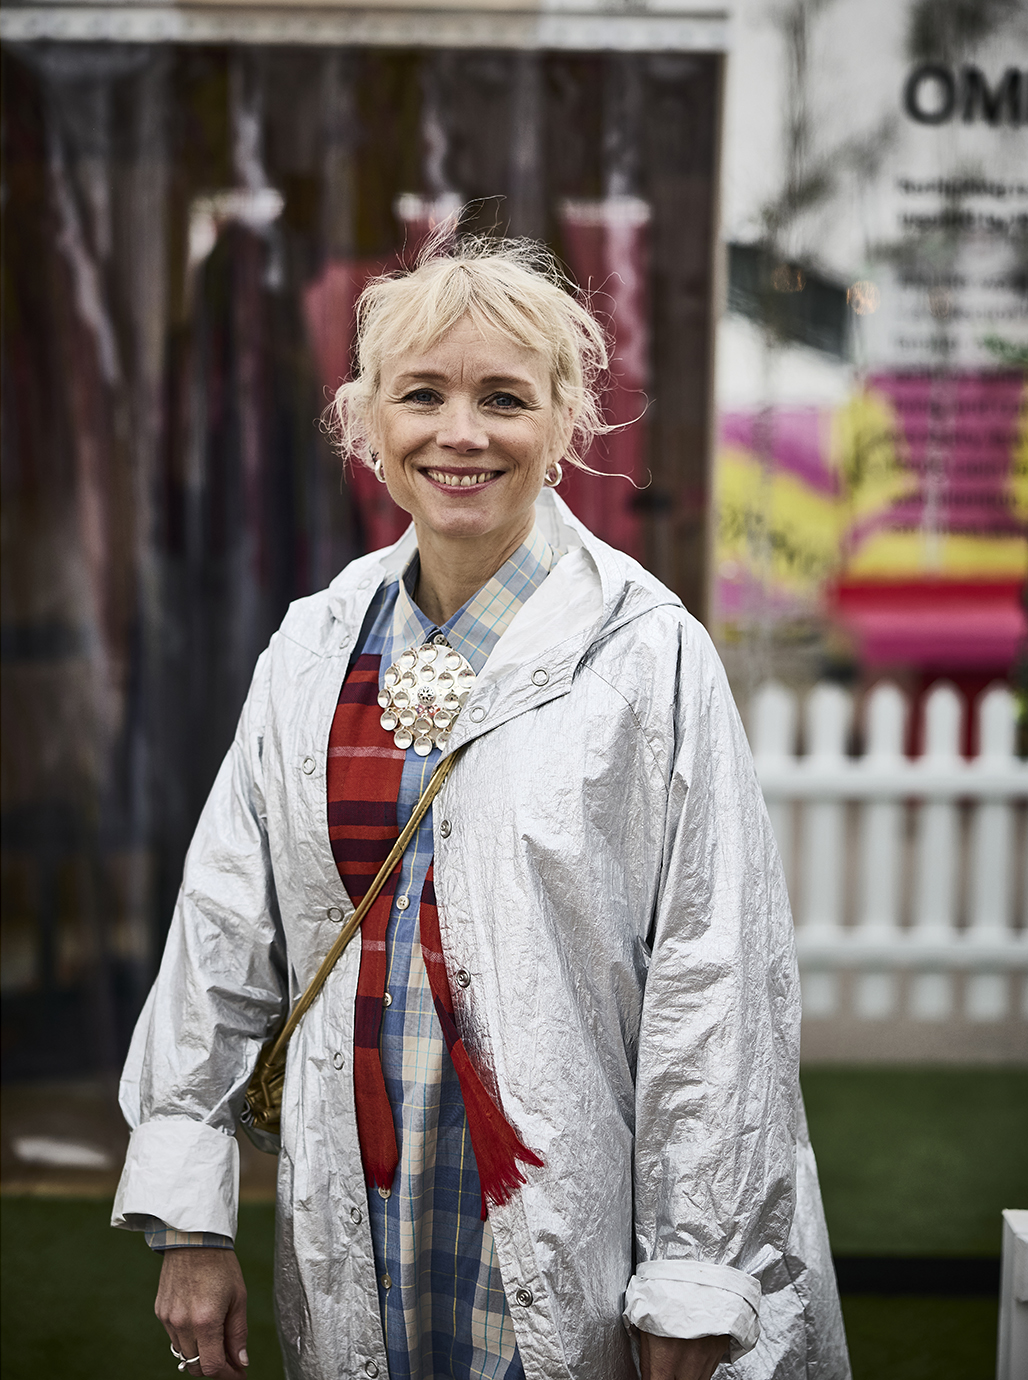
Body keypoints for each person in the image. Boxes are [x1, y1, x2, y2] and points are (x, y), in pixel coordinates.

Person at [113, 236, 850, 1380]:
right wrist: (191, 1221)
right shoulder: (315, 644)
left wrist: (693, 1274)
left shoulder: (644, 656)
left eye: (502, 398)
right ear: (367, 422)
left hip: (569, 1222)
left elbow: (715, 983)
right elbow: (223, 929)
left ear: (563, 425)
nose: (459, 433)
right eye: (422, 395)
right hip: (357, 1204)